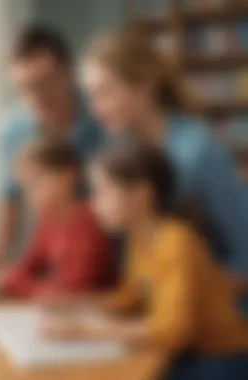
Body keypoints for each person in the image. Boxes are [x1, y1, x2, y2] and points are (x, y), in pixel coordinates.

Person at [41, 144, 248, 380]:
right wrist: (76, 304)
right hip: (186, 353)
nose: (94, 203)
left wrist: (85, 331)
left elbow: (173, 330)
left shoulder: (176, 241)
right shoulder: (138, 237)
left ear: (142, 193)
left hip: (224, 359)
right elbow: (131, 298)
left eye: (103, 191)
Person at [79, 28, 248, 295]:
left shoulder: (197, 151)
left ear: (145, 86)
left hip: (212, 316)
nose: (95, 107)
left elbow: (245, 258)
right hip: (153, 309)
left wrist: (181, 291)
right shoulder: (118, 150)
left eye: (105, 92)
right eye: (90, 96)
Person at [0, 23, 104, 280]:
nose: (36, 97)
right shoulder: (12, 132)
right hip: (57, 254)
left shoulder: (103, 116)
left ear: (68, 71)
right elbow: (9, 199)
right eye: (24, 88)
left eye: (44, 83)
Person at [0, 140, 113, 298]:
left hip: (87, 313)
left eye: (35, 183)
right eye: (25, 187)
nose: (29, 195)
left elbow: (70, 292)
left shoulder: (88, 222)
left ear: (67, 177)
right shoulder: (49, 220)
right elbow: (29, 267)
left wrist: (6, 279)